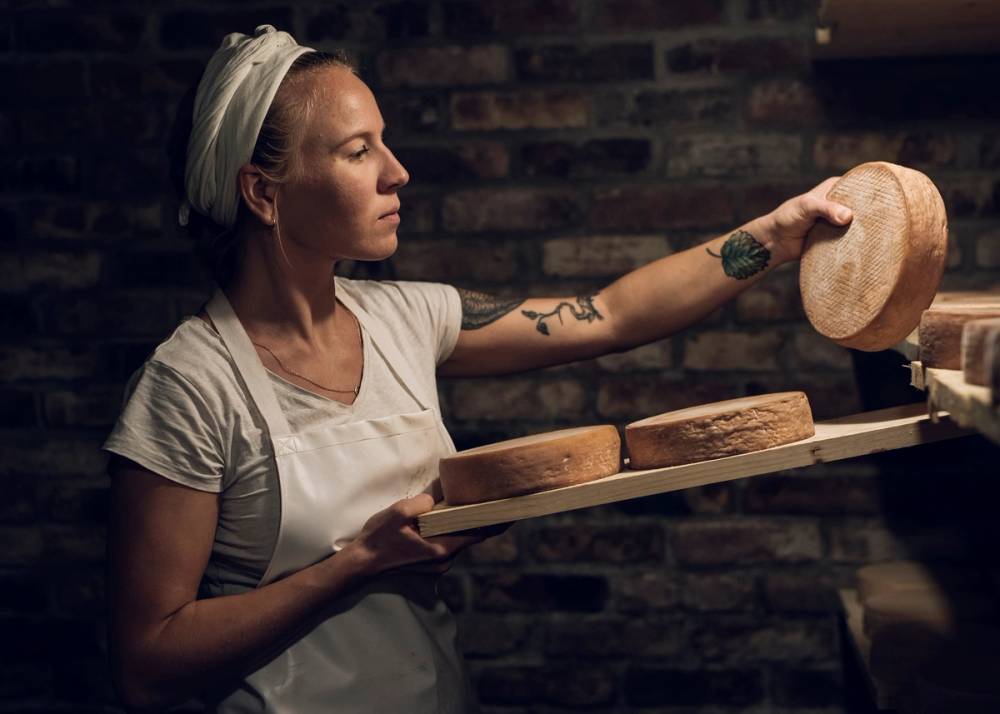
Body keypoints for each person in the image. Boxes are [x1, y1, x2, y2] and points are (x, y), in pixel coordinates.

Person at [102, 25, 853, 713]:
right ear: (264, 193)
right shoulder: (190, 387)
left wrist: (775, 237)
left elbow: (614, 313)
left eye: (384, 144)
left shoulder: (408, 319)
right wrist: (359, 562)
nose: (397, 172)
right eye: (358, 151)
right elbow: (150, 660)